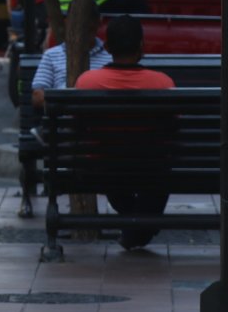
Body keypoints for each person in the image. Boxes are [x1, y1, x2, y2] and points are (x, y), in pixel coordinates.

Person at [75, 14, 175, 250]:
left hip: (104, 168)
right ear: (141, 45)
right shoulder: (163, 84)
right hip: (150, 168)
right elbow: (172, 126)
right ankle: (142, 227)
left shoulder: (87, 83)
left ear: (107, 46)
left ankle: (139, 228)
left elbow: (79, 125)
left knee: (113, 166)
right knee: (160, 168)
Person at [30, 2, 111, 109]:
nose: (82, 32)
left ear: (98, 23)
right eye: (77, 25)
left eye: (88, 28)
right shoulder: (51, 55)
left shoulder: (111, 55)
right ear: (67, 23)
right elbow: (37, 96)